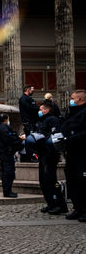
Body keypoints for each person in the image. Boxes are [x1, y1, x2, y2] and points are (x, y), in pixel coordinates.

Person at [36, 101, 67, 214]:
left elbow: (53, 136)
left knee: (50, 180)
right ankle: (50, 203)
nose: (40, 111)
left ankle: (59, 204)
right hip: (43, 154)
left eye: (41, 109)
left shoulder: (53, 120)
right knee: (43, 181)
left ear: (46, 109)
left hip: (50, 154)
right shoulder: (42, 120)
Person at [60, 89, 86, 222]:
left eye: (73, 98)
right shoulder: (71, 113)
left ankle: (85, 209)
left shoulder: (84, 113)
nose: (71, 100)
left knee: (83, 181)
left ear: (80, 100)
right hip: (70, 151)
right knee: (72, 180)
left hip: (82, 152)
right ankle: (77, 207)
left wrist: (70, 138)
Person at [0, 113, 24, 198]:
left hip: (5, 153)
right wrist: (19, 139)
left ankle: (7, 191)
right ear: (6, 119)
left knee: (7, 173)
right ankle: (7, 191)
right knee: (9, 173)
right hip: (6, 154)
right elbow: (8, 139)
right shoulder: (3, 127)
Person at [19, 85, 39, 162]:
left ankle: (32, 156)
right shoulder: (23, 99)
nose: (33, 91)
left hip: (32, 122)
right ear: (28, 89)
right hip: (28, 122)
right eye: (31, 89)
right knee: (30, 140)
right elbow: (29, 108)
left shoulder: (28, 99)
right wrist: (38, 108)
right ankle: (30, 157)